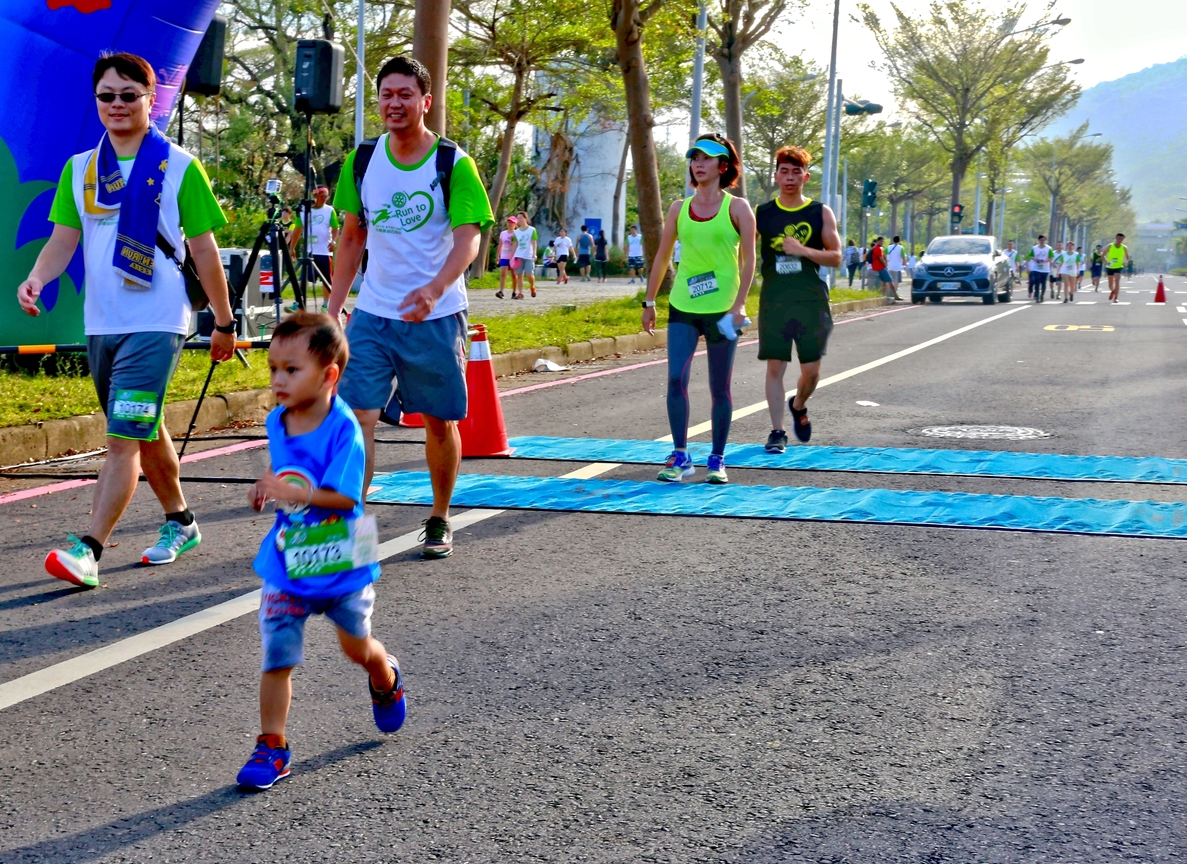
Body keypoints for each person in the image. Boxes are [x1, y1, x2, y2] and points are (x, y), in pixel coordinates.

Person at [18, 52, 235, 588]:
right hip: (103, 323)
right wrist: (37, 279)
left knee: (120, 439)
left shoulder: (180, 166)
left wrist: (225, 323)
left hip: (158, 319)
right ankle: (182, 521)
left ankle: (88, 550)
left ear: (151, 99)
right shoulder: (80, 169)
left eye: (129, 95)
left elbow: (204, 251)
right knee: (141, 427)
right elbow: (63, 241)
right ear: (97, 102)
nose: (117, 105)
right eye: (107, 96)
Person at [327, 55, 493, 560]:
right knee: (358, 418)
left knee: (439, 422)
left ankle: (440, 516)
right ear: (377, 101)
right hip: (374, 313)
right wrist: (335, 310)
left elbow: (469, 238)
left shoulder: (453, 163)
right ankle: (351, 529)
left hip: (437, 317)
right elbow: (352, 237)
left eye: (405, 95)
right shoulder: (361, 161)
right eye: (386, 94)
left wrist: (436, 289)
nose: (394, 103)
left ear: (425, 102)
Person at [236, 312, 405, 792]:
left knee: (356, 648)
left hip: (342, 556)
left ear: (328, 375)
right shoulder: (277, 420)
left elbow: (346, 498)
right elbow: (287, 470)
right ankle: (272, 745)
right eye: (273, 369)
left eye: (291, 370)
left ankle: (384, 673)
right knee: (277, 655)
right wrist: (266, 487)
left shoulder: (344, 429)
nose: (277, 380)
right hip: (289, 562)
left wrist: (294, 492)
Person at [641, 132, 756, 485]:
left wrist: (739, 305)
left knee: (719, 387)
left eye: (706, 158)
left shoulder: (737, 208)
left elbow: (750, 260)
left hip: (723, 310)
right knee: (676, 378)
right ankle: (680, 456)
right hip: (683, 306)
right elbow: (662, 256)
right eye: (694, 158)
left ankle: (717, 459)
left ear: (723, 165)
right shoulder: (678, 208)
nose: (698, 164)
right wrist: (649, 300)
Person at [755, 146, 842, 452]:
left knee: (811, 372)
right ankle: (777, 431)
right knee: (775, 367)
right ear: (776, 175)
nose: (789, 177)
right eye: (784, 171)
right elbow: (740, 252)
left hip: (811, 301)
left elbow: (836, 257)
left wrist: (803, 250)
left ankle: (799, 404)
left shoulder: (819, 212)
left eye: (796, 172)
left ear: (805, 177)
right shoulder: (763, 214)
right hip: (774, 300)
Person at [289, 185, 339, 310]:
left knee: (326, 280)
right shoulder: (304, 211)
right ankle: (298, 302)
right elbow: (297, 230)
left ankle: (326, 305)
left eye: (325, 197)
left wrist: (333, 241)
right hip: (309, 252)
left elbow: (335, 228)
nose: (323, 199)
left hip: (324, 252)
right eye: (321, 196)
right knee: (303, 278)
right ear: (314, 196)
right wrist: (292, 248)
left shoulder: (329, 210)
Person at [509, 210, 538, 299]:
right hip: (518, 256)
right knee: (519, 275)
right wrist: (512, 256)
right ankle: (520, 293)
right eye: (517, 218)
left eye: (521, 218)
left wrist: (534, 253)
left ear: (525, 218)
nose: (519, 220)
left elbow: (534, 242)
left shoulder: (532, 230)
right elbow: (514, 244)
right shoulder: (516, 232)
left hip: (529, 255)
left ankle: (532, 286)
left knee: (529, 274)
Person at [495, 214, 517, 299]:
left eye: (512, 223)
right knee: (503, 274)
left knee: (514, 275)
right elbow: (500, 245)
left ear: (515, 224)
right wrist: (497, 256)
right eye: (508, 222)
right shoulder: (503, 233)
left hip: (513, 257)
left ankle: (514, 292)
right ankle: (501, 291)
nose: (510, 224)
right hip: (504, 256)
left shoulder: (517, 234)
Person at [1104, 233, 1130, 303]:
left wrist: (1126, 262)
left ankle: (1116, 298)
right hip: (1110, 266)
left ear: (1123, 239)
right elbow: (1103, 255)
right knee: (1110, 285)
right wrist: (1106, 262)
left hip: (1118, 267)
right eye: (1118, 238)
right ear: (1116, 238)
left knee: (1117, 281)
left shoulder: (1124, 247)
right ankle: (1113, 291)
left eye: (1121, 239)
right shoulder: (1110, 246)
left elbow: (1128, 257)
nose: (1119, 240)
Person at [1026, 235, 1052, 302]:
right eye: (1041, 240)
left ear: (1045, 241)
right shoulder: (1034, 248)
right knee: (1037, 282)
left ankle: (1042, 295)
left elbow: (1051, 258)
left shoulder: (1049, 248)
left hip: (1045, 269)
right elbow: (1030, 256)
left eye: (1043, 240)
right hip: (1036, 268)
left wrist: (1045, 261)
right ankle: (1037, 296)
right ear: (1039, 241)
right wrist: (1035, 259)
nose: (1042, 241)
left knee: (1043, 283)